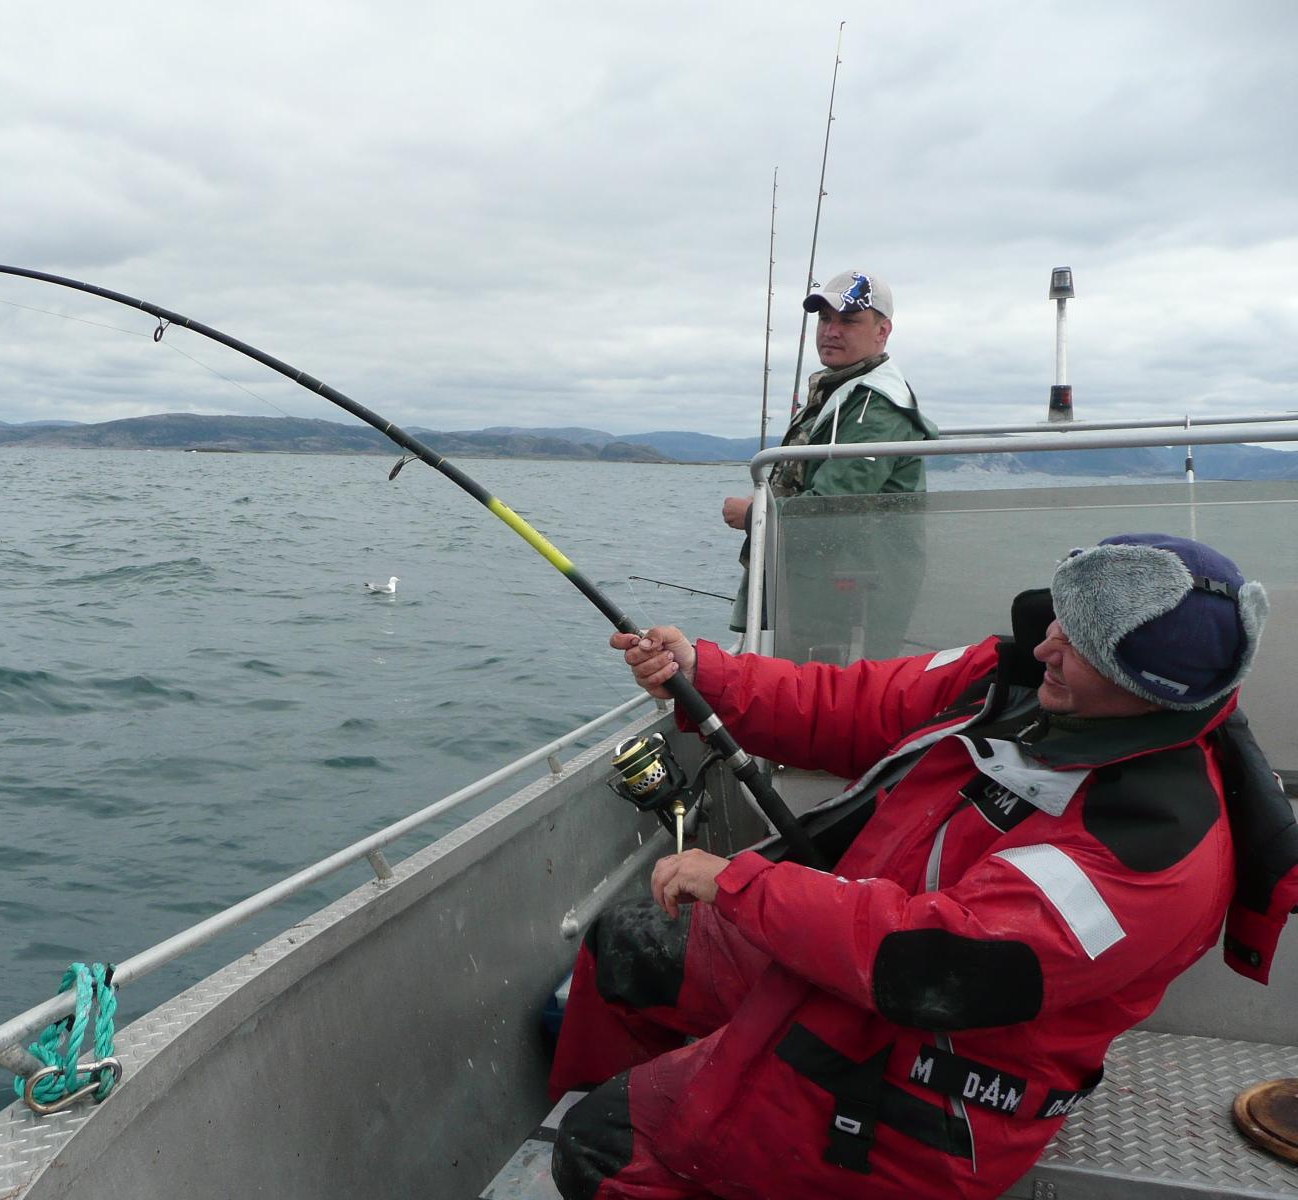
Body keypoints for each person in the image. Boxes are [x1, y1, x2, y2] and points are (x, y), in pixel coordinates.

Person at [549, 533, 1298, 1200]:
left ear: (1145, 690)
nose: (1046, 646)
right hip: (842, 957)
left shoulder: (1155, 847)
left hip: (923, 1078)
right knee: (623, 951)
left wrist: (740, 884)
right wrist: (704, 674)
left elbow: (937, 962)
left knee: (602, 1150)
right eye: (1060, 621)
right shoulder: (1014, 680)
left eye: (1080, 647)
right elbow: (857, 704)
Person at [726, 269, 937, 644]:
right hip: (816, 587)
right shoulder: (844, 390)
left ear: (882, 331)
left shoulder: (874, 407)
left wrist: (753, 515)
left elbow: (832, 509)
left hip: (847, 601)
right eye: (825, 319)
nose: (831, 331)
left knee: (821, 680)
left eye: (849, 321)